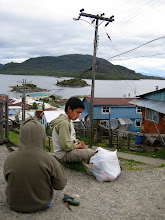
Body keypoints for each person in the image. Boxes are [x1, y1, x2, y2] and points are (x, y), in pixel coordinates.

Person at [3, 118, 67, 213]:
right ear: (42, 136)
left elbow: (8, 179)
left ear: (21, 136)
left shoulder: (10, 158)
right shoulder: (48, 159)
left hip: (13, 204)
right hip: (41, 204)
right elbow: (60, 185)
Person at [50, 97, 95, 163]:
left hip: (65, 152)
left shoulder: (68, 120)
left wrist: (77, 142)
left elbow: (69, 139)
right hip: (63, 154)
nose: (79, 115)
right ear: (69, 109)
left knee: (88, 152)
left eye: (80, 113)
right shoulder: (64, 123)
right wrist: (76, 146)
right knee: (90, 152)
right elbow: (64, 146)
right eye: (77, 112)